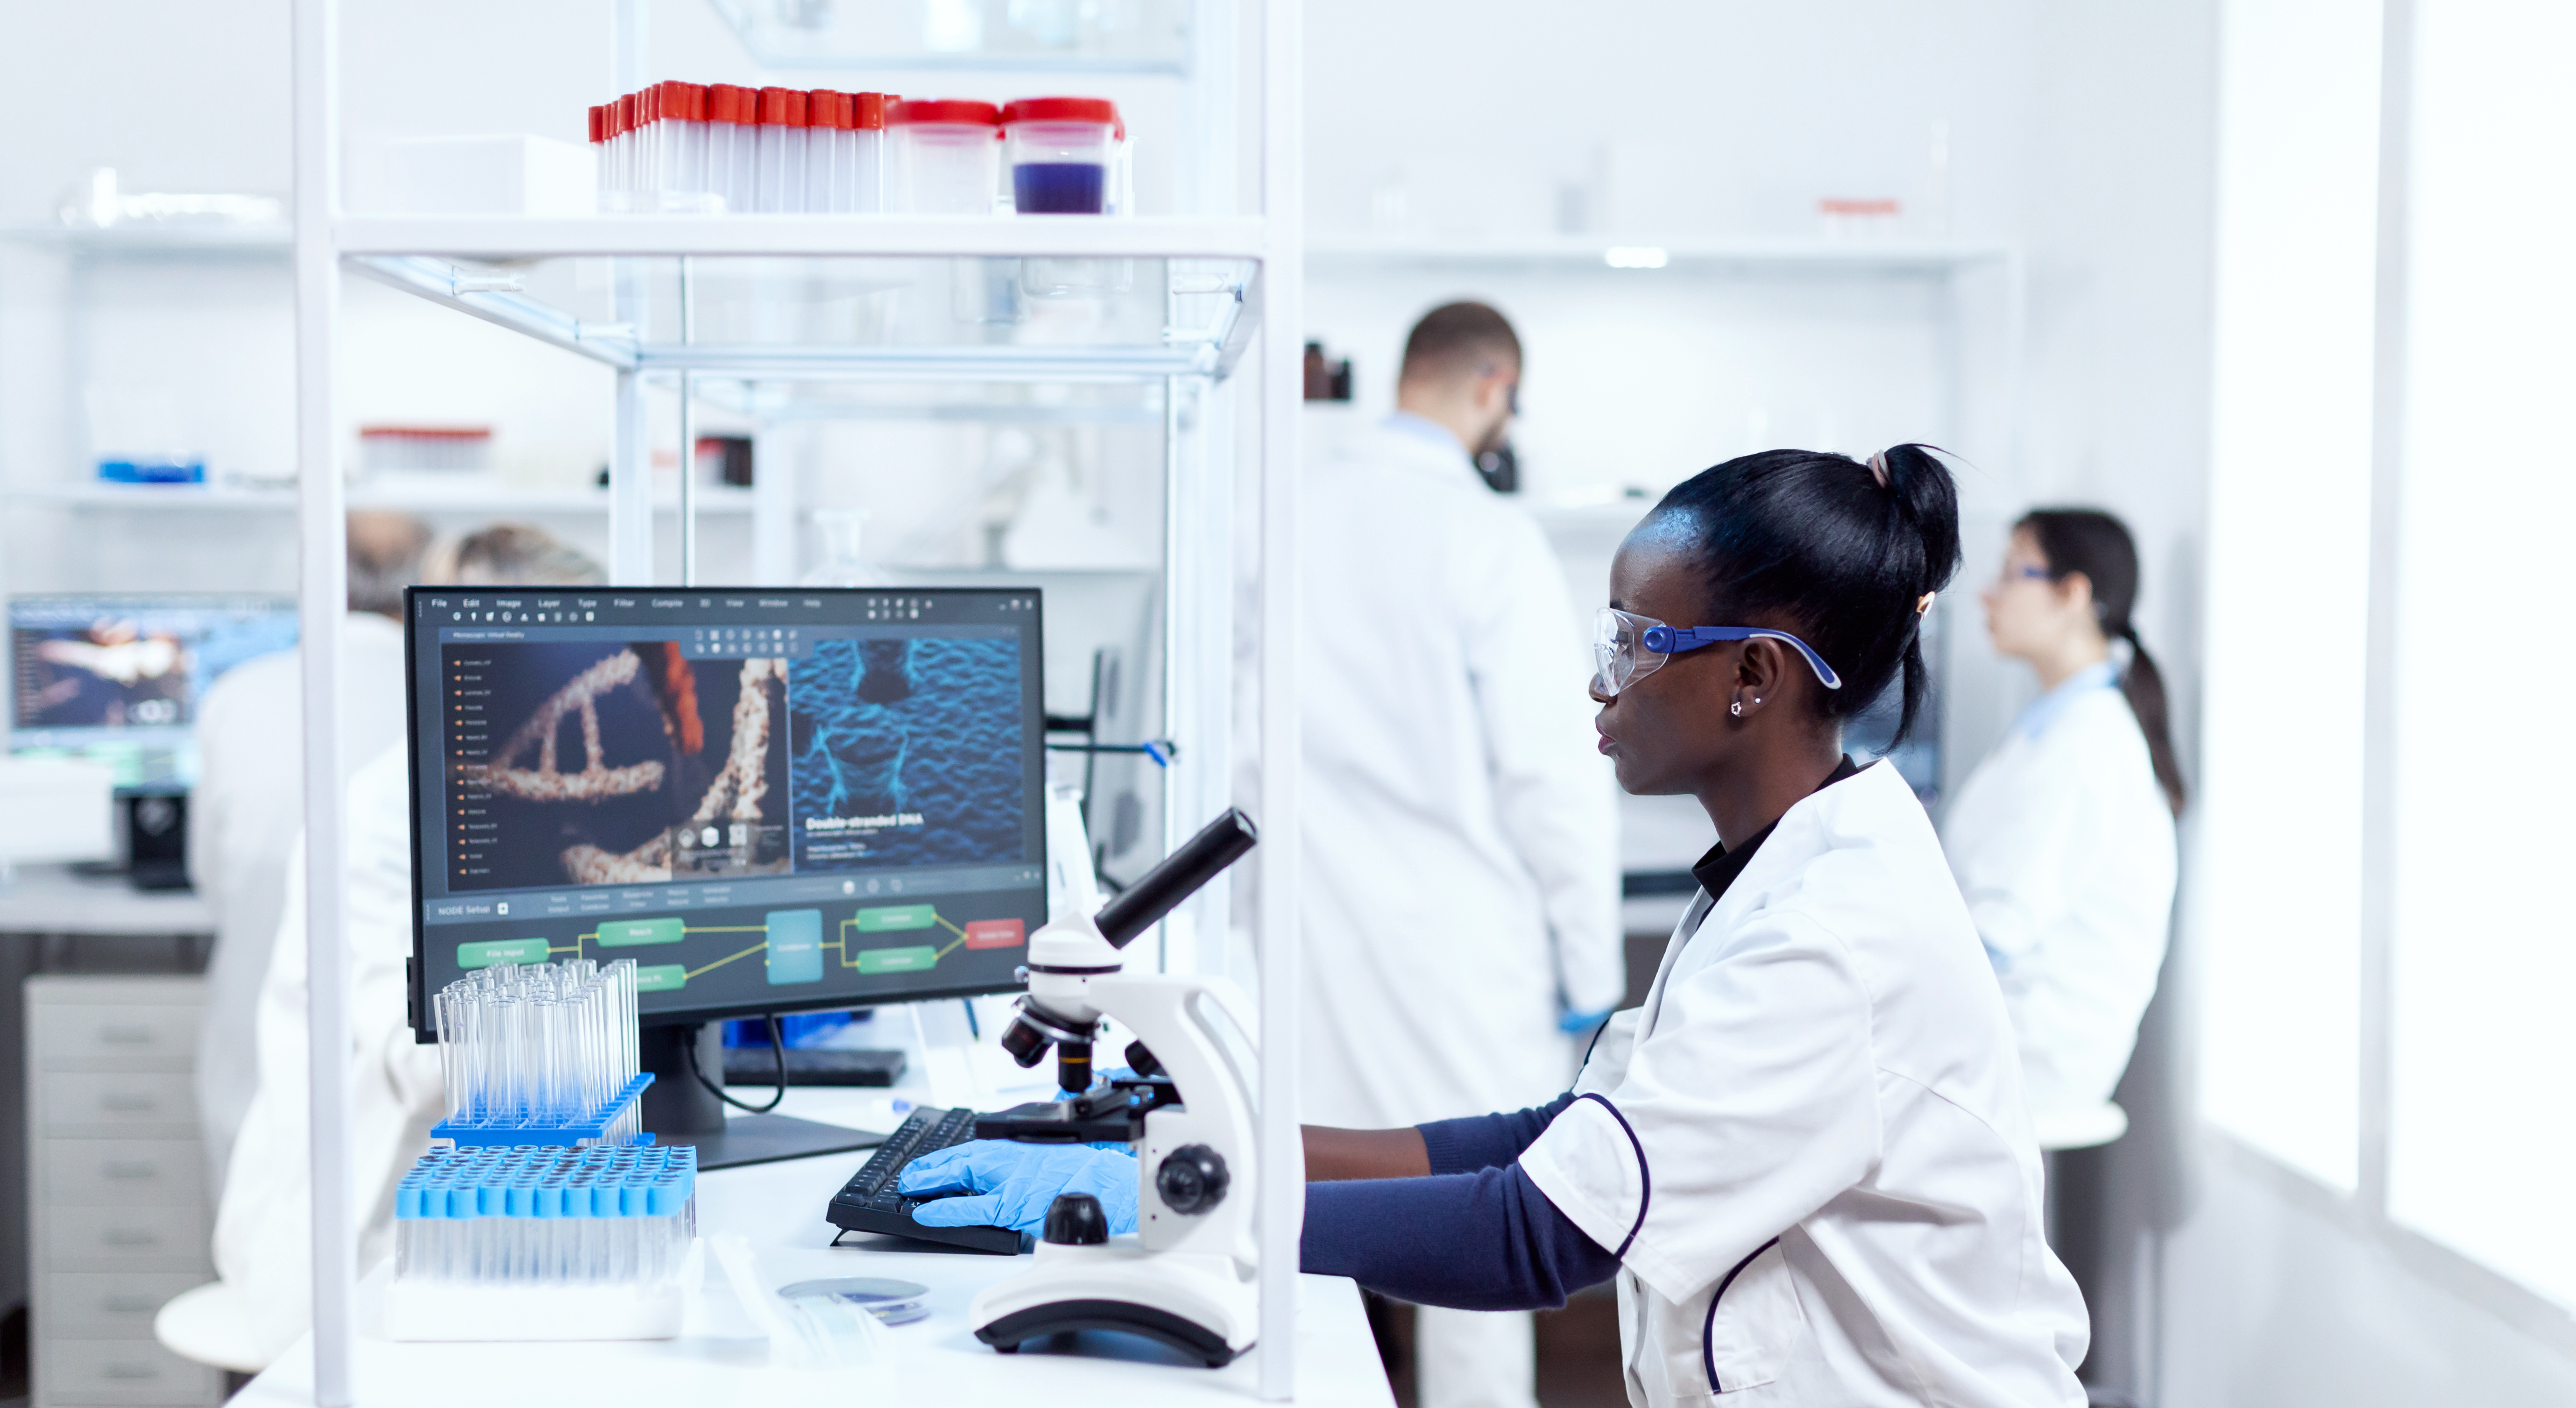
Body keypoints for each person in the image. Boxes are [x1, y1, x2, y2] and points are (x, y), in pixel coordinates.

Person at [904, 446, 2090, 1405]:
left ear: (1753, 677)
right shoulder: (1781, 868)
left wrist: (1170, 1206)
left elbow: (1537, 1233)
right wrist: (1204, 1144)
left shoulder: (1832, 933)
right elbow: (1558, 1136)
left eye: (1634, 642)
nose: (1599, 681)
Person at [163, 525, 606, 1372]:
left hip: (505, 1206)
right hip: (375, 1227)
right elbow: (422, 1061)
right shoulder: (382, 819)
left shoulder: (541, 792)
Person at [1293, 302, 1622, 1407]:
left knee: (1300, 1235)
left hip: (1304, 934)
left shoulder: (1287, 514)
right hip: (1457, 950)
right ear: (1492, 387)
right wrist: (1593, 976)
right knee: (1472, 1253)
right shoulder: (1489, 535)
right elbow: (1555, 777)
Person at [188, 511, 429, 1200]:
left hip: (257, 1063)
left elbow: (211, 881)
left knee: (265, 1256)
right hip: (405, 1084)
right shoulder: (451, 692)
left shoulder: (237, 694)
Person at [1940, 510, 2183, 1124]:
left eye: (2011, 571)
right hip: (2012, 1018)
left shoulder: (2090, 742)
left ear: (2073, 594)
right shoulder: (2060, 725)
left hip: (2037, 1041)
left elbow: (1997, 926)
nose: (1989, 593)